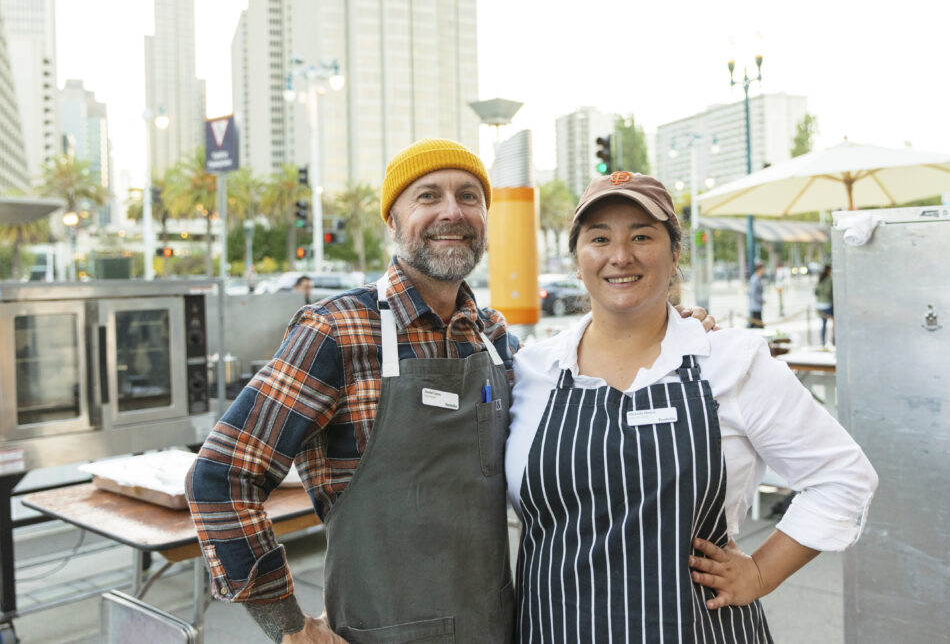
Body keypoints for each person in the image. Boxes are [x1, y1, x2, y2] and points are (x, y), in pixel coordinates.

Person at [505, 172, 877, 643]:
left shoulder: (732, 362)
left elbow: (843, 477)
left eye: (642, 236)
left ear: (674, 254)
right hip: (556, 629)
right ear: (577, 259)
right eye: (600, 238)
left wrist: (761, 573)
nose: (621, 255)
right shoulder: (528, 371)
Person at [186, 139, 520, 643]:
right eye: (428, 196)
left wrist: (677, 329)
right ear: (392, 222)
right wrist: (291, 629)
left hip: (495, 629)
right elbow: (220, 479)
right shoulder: (338, 331)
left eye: (469, 197)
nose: (453, 211)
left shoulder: (494, 337)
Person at [815, 264, 834, 347]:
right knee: (835, 323)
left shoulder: (820, 280)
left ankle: (823, 342)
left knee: (823, 324)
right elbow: (829, 292)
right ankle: (833, 341)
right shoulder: (830, 280)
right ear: (829, 271)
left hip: (820, 306)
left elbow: (815, 292)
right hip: (828, 305)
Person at [748, 260, 767, 328]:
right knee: (758, 326)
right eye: (763, 269)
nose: (764, 270)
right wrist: (761, 300)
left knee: (756, 326)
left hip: (757, 306)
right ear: (760, 269)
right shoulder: (755, 279)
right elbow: (753, 293)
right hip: (755, 306)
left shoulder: (757, 278)